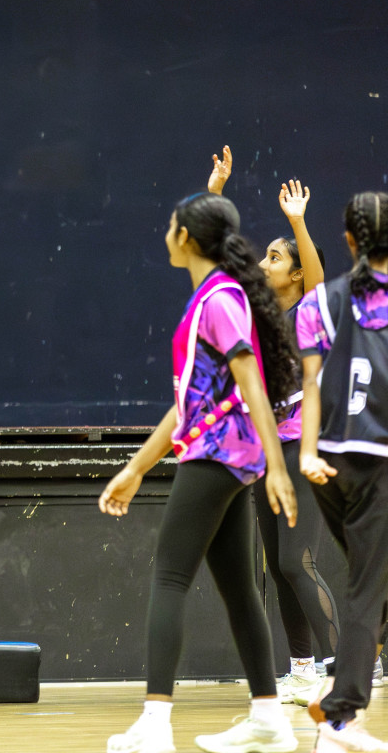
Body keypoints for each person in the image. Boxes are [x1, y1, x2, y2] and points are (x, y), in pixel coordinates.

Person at [100, 191, 299, 753]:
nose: (166, 232)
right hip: (226, 456)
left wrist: (277, 464)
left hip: (219, 456)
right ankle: (269, 717)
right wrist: (136, 468)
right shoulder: (212, 297)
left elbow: (251, 379)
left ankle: (156, 722)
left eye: (170, 224)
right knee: (239, 589)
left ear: (185, 239)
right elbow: (186, 406)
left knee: (169, 577)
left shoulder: (220, 300)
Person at [208, 147, 340, 702]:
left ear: (296, 271)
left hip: (303, 448)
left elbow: (316, 276)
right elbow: (215, 259)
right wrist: (214, 194)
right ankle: (304, 667)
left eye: (275, 257)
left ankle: (343, 667)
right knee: (277, 564)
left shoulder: (308, 310)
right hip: (264, 452)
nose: (264, 263)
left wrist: (297, 224)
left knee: (296, 559)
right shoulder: (256, 310)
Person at [298, 192, 388, 753]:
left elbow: (308, 385)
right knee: (366, 585)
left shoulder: (318, 303)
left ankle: (339, 692)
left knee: (372, 575)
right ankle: (341, 714)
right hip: (378, 460)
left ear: (349, 242)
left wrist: (307, 453)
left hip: (328, 461)